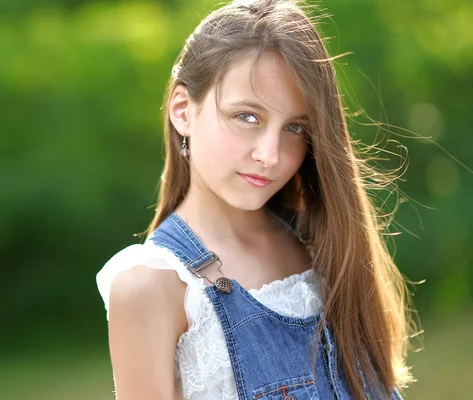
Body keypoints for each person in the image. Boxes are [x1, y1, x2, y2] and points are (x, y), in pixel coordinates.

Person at [96, 0, 421, 398]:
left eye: (295, 127)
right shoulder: (153, 286)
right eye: (246, 117)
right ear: (183, 110)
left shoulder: (324, 244)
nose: (270, 154)